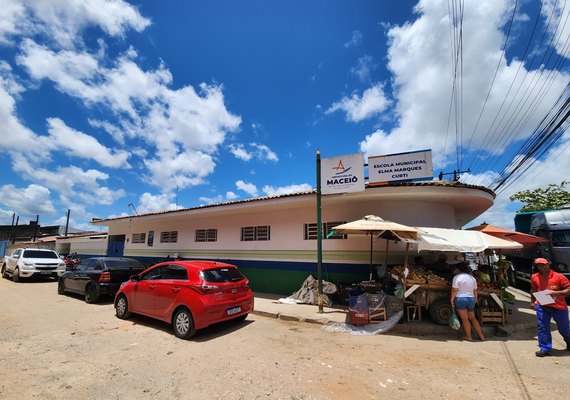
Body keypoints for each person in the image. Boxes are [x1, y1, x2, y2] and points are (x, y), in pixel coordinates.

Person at [530, 257, 570, 357]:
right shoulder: (534, 277)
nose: (541, 267)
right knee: (543, 328)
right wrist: (532, 302)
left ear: (548, 265)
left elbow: (568, 290)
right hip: (542, 306)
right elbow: (533, 290)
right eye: (539, 265)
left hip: (559, 307)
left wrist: (556, 293)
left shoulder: (559, 277)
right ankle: (545, 348)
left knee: (564, 328)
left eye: (543, 264)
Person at [450, 262, 486, 341]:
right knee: (472, 318)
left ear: (458, 269)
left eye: (456, 268)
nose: (455, 270)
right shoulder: (472, 278)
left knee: (465, 319)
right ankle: (481, 336)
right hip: (471, 299)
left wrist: (452, 299)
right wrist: (475, 299)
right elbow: (475, 290)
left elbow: (454, 290)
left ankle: (469, 336)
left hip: (461, 299)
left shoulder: (457, 277)